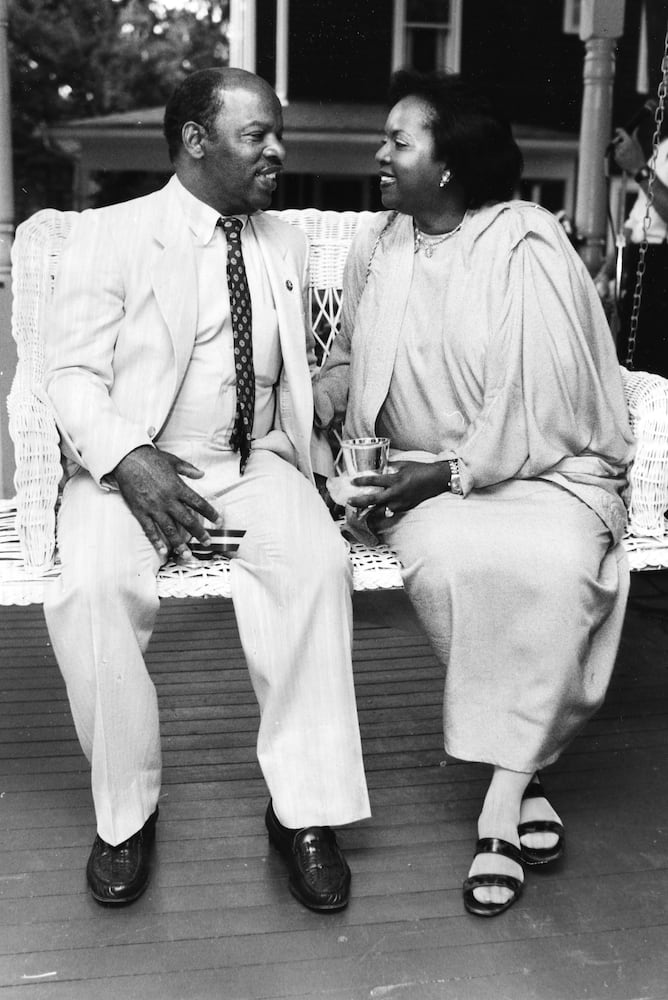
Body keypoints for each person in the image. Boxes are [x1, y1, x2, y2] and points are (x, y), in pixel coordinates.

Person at [43, 67, 370, 911]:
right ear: (195, 140)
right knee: (92, 588)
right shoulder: (110, 234)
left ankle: (303, 812)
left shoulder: (285, 242)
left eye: (278, 133)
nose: (278, 150)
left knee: (317, 569)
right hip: (133, 467)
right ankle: (126, 814)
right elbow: (70, 377)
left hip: (253, 461)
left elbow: (303, 371)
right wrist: (129, 457)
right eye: (257, 134)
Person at [314, 70, 635, 918]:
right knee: (451, 564)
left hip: (540, 470)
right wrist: (315, 401)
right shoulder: (377, 245)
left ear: (449, 163)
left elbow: (550, 396)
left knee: (560, 564)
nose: (380, 155)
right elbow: (346, 357)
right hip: (421, 481)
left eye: (399, 141)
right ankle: (523, 779)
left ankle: (499, 806)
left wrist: (453, 470)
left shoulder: (525, 240)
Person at [597, 118, 668, 377]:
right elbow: (635, 222)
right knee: (630, 362)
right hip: (641, 262)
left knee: (653, 368)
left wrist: (639, 168)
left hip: (662, 265)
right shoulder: (664, 148)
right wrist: (605, 274)